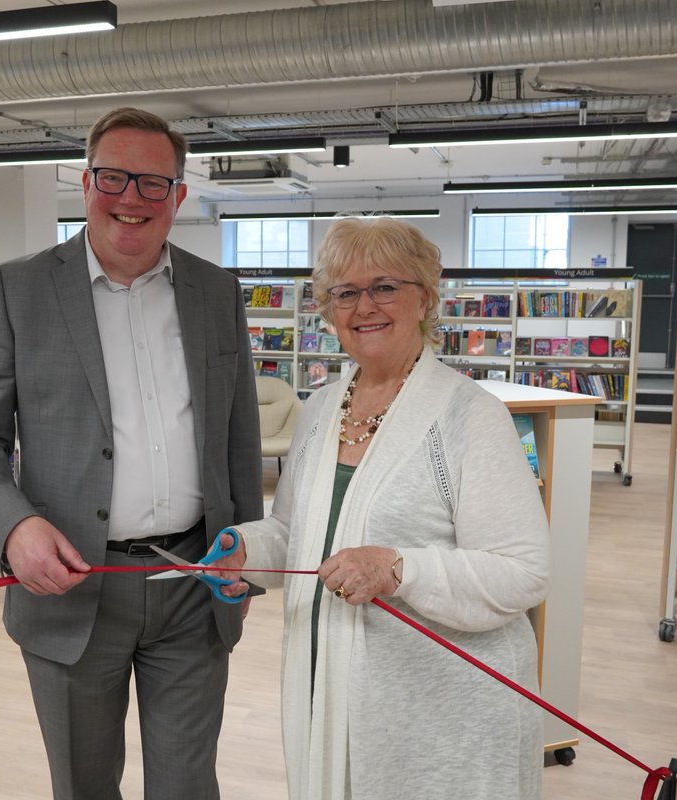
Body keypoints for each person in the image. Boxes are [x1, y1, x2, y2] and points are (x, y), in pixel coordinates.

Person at [0, 107, 263, 800]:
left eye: (153, 183)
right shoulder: (21, 289)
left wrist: (250, 545)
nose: (131, 199)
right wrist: (14, 527)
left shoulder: (217, 292)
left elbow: (239, 436)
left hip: (193, 583)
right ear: (85, 183)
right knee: (85, 786)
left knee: (186, 786)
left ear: (179, 196)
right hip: (71, 590)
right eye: (113, 177)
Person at [216, 217, 551, 799]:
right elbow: (299, 535)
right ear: (328, 310)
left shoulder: (471, 418)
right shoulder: (319, 410)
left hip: (445, 713)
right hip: (334, 692)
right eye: (344, 292)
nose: (364, 306)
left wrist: (400, 569)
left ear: (425, 296)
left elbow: (523, 572)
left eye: (385, 286)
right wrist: (247, 550)